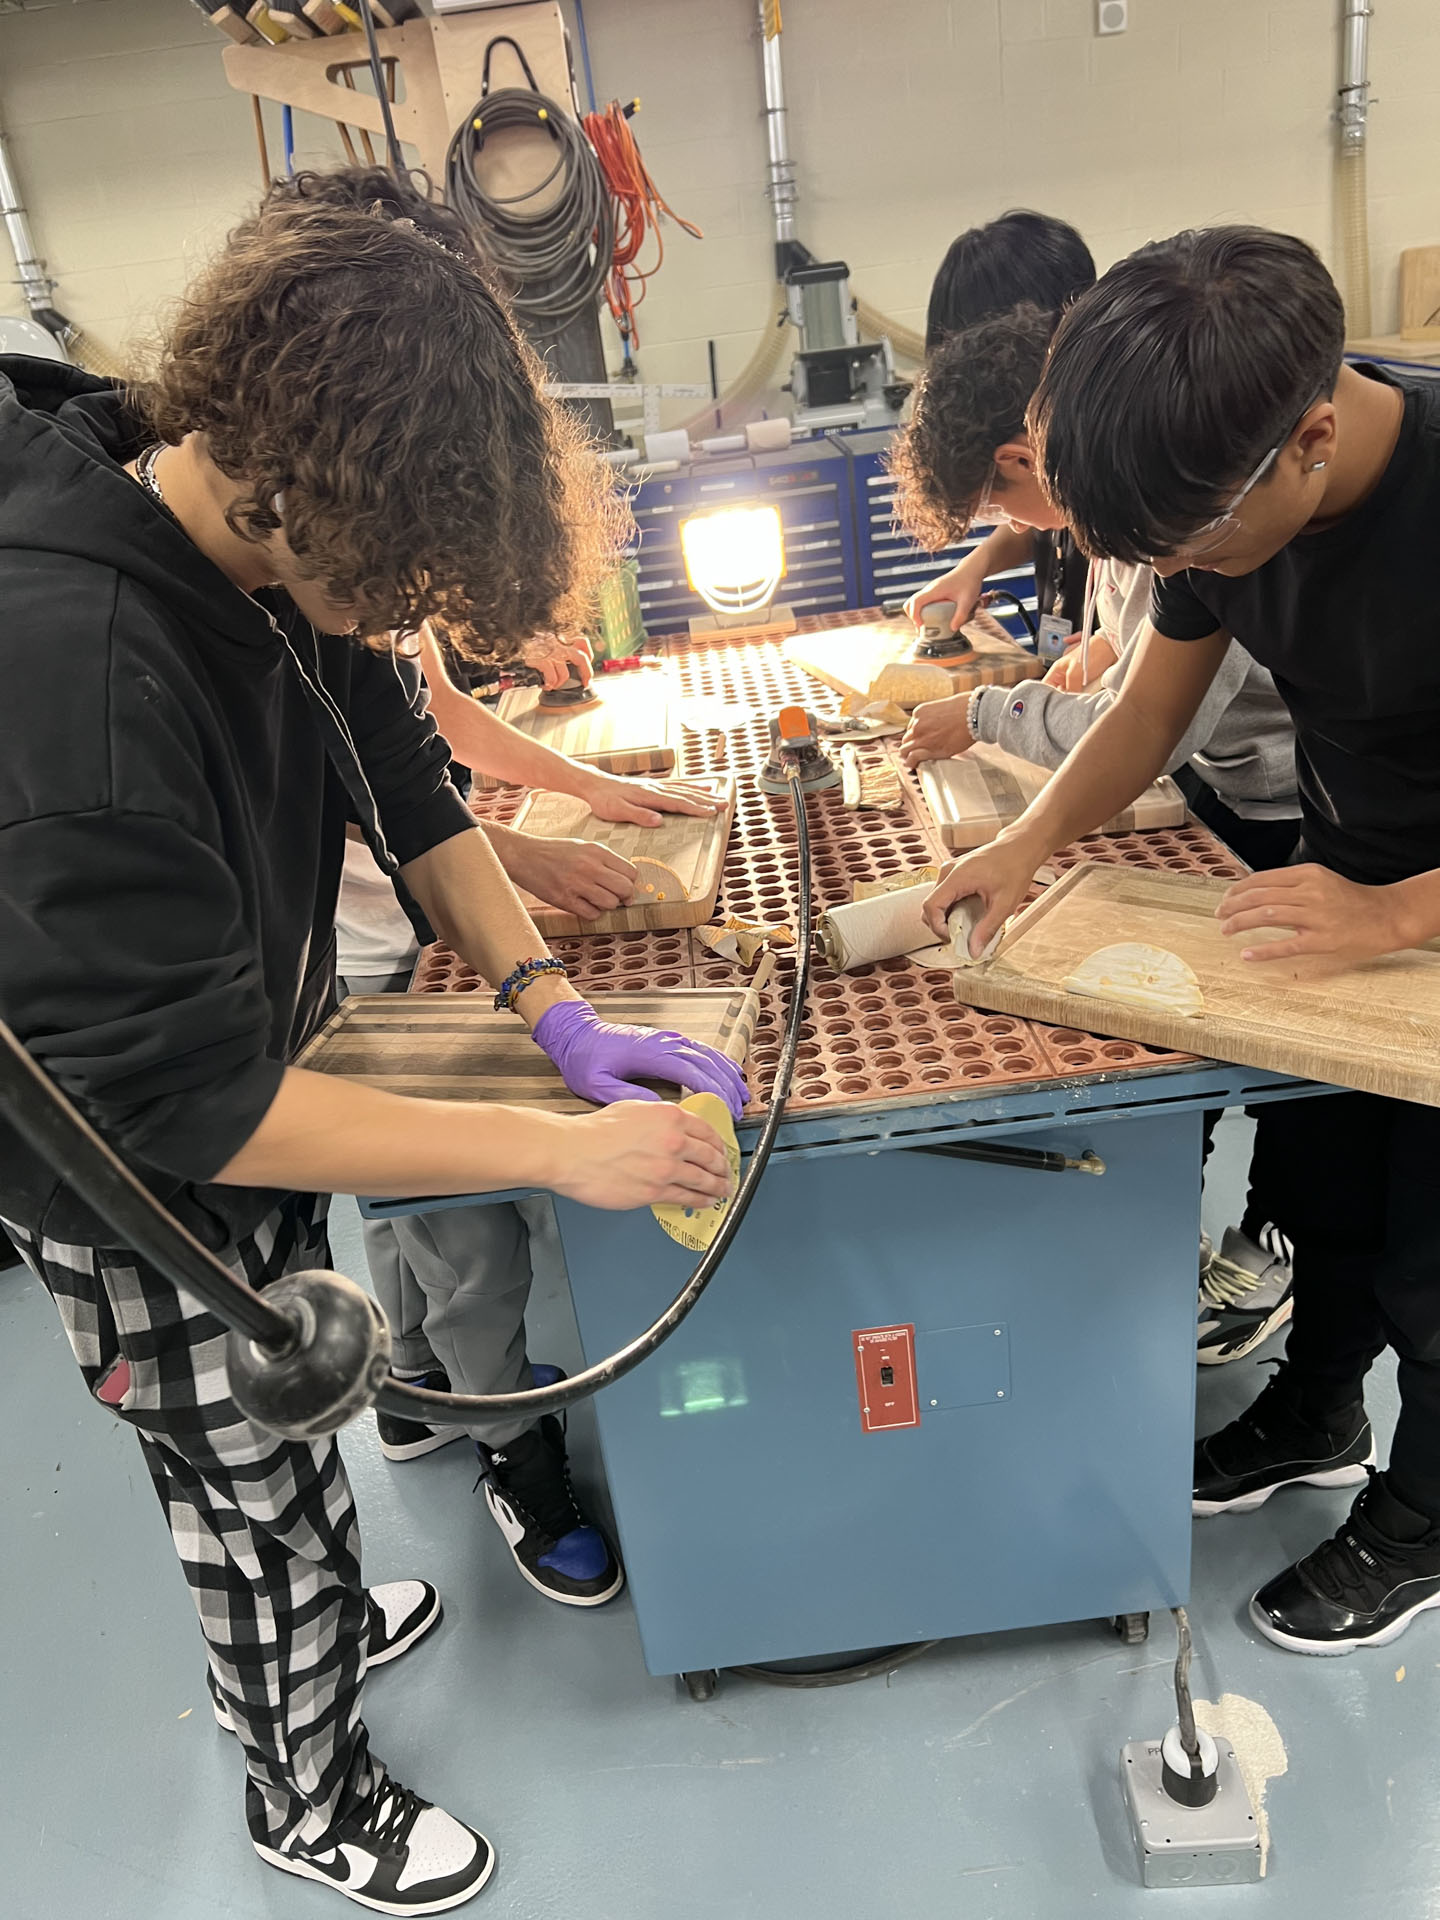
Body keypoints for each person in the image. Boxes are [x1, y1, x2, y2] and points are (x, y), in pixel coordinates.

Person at [0, 168, 746, 1912]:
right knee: (239, 1473)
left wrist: (560, 1013)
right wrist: (565, 1150)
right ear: (290, 493)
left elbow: (408, 788)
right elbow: (192, 1109)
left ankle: (313, 1612)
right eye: (391, 581)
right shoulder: (82, 670)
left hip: (223, 1068)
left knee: (287, 1399)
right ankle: (308, 1789)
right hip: (116, 1168)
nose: (395, 611)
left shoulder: (252, 517)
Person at [927, 224, 1440, 1656]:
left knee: (1434, 1257)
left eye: (1192, 546)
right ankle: (1319, 1412)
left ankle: (1423, 1522)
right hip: (1350, 879)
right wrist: (1025, 844)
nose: (1184, 570)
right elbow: (1151, 708)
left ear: (1312, 443)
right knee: (1331, 1182)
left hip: (1411, 901)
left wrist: (1399, 911)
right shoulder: (1210, 458)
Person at [892, 303, 1302, 1364]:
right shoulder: (1137, 515)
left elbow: (1150, 723)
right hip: (1239, 795)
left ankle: (1274, 1260)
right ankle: (1164, 1233)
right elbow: (1141, 695)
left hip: (1301, 815)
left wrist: (993, 711)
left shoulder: (1185, 514)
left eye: (1007, 502)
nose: (1036, 529)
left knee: (1301, 1084)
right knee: (1189, 1035)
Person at [336, 620, 726, 1609]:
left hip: (417, 926)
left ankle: (415, 1386)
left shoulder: (369, 590)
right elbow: (334, 796)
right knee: (459, 1224)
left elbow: (422, 726)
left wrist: (579, 793)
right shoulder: (248, 613)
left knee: (407, 1208)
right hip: (339, 957)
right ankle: (513, 1452)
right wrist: (512, 854)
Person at [917, 209, 1096, 658]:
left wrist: (1122, 648)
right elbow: (1036, 510)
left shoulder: (1116, 459)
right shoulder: (1043, 448)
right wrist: (975, 567)